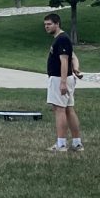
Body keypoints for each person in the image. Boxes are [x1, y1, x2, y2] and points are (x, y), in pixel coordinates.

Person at [43, 13, 83, 152]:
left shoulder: (62, 39)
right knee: (68, 109)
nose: (46, 27)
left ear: (57, 24)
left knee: (59, 110)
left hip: (60, 78)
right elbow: (74, 57)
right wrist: (76, 68)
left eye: (49, 24)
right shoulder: (61, 39)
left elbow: (65, 60)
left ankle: (61, 145)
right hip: (64, 78)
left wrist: (63, 82)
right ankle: (77, 143)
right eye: (45, 24)